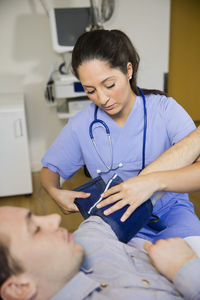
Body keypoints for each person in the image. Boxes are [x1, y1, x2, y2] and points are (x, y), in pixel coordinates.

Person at [40, 29, 200, 242]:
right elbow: (50, 169)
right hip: (114, 220)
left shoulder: (164, 110)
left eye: (109, 85)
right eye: (90, 90)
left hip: (171, 213)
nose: (102, 98)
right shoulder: (82, 125)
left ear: (128, 70)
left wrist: (153, 182)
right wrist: (54, 192)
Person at [0, 205, 200, 300]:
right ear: (19, 288)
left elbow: (130, 199)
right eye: (35, 230)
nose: (54, 218)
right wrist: (185, 268)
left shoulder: (85, 240)